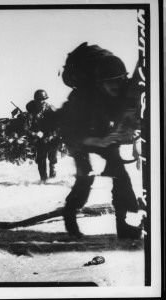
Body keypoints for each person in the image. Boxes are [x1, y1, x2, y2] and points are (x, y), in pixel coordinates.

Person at [58, 48, 142, 239]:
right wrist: (92, 140)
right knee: (85, 178)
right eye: (111, 82)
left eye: (120, 80)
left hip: (106, 138)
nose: (116, 85)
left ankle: (123, 225)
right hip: (81, 140)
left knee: (121, 178)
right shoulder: (82, 99)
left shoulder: (124, 91)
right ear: (99, 83)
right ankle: (70, 216)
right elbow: (67, 131)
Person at [26, 89, 59, 181]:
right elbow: (26, 129)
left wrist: (53, 135)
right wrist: (35, 134)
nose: (42, 102)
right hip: (39, 139)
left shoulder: (51, 109)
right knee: (41, 159)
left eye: (44, 99)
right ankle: (43, 179)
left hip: (51, 136)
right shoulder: (31, 114)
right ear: (36, 101)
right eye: (39, 100)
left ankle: (52, 169)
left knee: (52, 157)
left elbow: (58, 124)